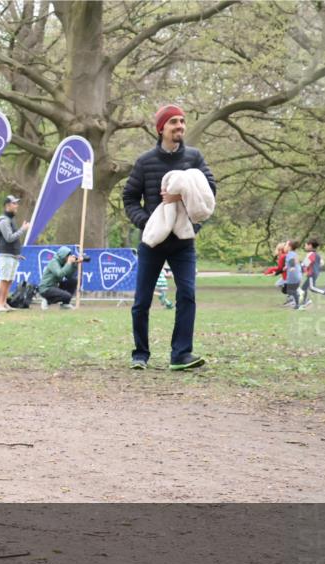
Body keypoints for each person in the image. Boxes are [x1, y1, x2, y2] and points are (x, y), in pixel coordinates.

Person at [123, 104, 216, 371]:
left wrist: (191, 221)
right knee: (142, 301)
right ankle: (140, 353)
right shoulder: (145, 161)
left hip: (183, 243)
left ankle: (181, 355)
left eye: (182, 121)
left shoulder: (195, 159)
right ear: (161, 128)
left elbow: (209, 192)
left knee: (187, 295)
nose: (180, 126)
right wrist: (147, 222)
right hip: (152, 242)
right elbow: (129, 197)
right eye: (174, 122)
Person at [0, 195, 30, 312]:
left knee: (9, 280)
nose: (16, 205)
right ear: (7, 205)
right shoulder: (3, 220)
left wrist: (17, 254)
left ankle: (3, 303)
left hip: (12, 255)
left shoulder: (10, 220)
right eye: (14, 203)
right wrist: (23, 229)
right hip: (5, 254)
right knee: (4, 279)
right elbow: (9, 238)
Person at [301, 238, 325, 305]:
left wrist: (302, 269)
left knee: (312, 288)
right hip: (315, 273)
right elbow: (322, 263)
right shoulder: (317, 254)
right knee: (304, 288)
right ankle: (305, 301)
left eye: (306, 245)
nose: (305, 246)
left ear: (310, 246)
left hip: (312, 273)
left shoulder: (311, 254)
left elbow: (305, 264)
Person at [283, 239, 303, 310]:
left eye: (286, 244)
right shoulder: (294, 253)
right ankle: (297, 304)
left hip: (293, 276)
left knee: (290, 291)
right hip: (297, 275)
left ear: (289, 247)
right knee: (291, 290)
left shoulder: (290, 254)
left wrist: (291, 267)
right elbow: (295, 261)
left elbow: (292, 261)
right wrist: (286, 267)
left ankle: (299, 302)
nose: (284, 246)